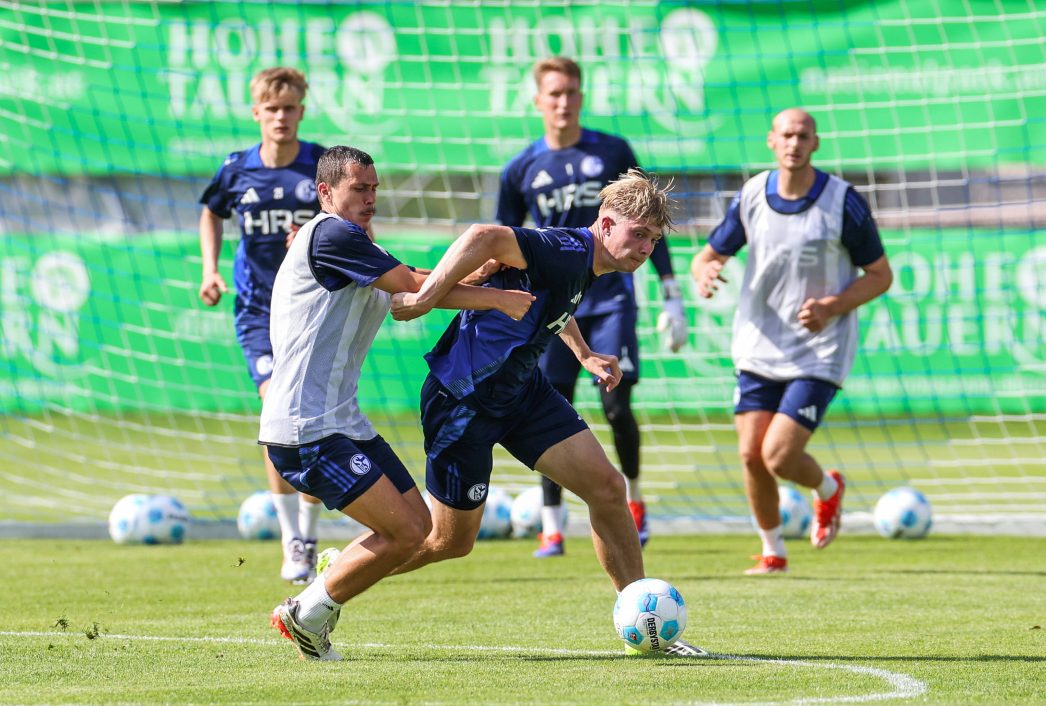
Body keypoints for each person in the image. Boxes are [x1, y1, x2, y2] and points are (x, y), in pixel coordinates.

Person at [295, 169, 704, 660]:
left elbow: (552, 303)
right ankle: (338, 574)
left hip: (523, 394)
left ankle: (644, 617)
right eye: (636, 234)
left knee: (607, 489)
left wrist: (583, 352)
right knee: (447, 540)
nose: (643, 248)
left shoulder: (585, 265)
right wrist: (425, 299)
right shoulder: (568, 247)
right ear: (605, 224)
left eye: (652, 240)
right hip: (463, 400)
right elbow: (482, 237)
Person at [264, 145, 534, 661]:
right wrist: (496, 298)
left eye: (374, 188)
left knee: (420, 529)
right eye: (358, 189)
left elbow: (413, 284)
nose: (370, 198)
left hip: (340, 422)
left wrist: (473, 275)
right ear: (326, 193)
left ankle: (319, 596)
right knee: (407, 530)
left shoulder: (356, 245)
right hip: (306, 429)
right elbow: (413, 289)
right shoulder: (333, 234)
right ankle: (306, 614)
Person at [496, 56, 688, 558]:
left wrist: (670, 289)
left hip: (610, 300)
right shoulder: (520, 168)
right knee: (551, 401)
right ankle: (552, 525)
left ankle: (636, 502)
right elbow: (502, 242)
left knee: (616, 402)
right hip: (556, 307)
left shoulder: (612, 150)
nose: (563, 102)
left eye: (572, 93)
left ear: (581, 97)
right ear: (539, 100)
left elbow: (648, 222)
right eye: (554, 94)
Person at [690, 108, 892, 575]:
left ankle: (827, 489)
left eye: (803, 135)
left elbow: (881, 276)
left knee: (778, 454)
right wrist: (706, 275)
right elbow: (705, 258)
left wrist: (831, 306)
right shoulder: (753, 195)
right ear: (771, 141)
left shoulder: (843, 201)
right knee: (749, 454)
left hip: (818, 350)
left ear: (815, 143)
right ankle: (773, 551)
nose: (794, 143)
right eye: (786, 134)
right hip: (758, 344)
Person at [198, 67, 328, 584]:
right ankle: (290, 540)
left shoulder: (321, 165)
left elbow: (355, 222)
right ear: (257, 113)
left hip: (312, 310)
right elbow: (210, 212)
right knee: (277, 409)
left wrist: (316, 232)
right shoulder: (236, 170)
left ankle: (312, 531)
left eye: (290, 107)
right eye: (271, 108)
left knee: (311, 420)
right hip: (258, 311)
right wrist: (208, 269)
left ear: (301, 110)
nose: (281, 116)